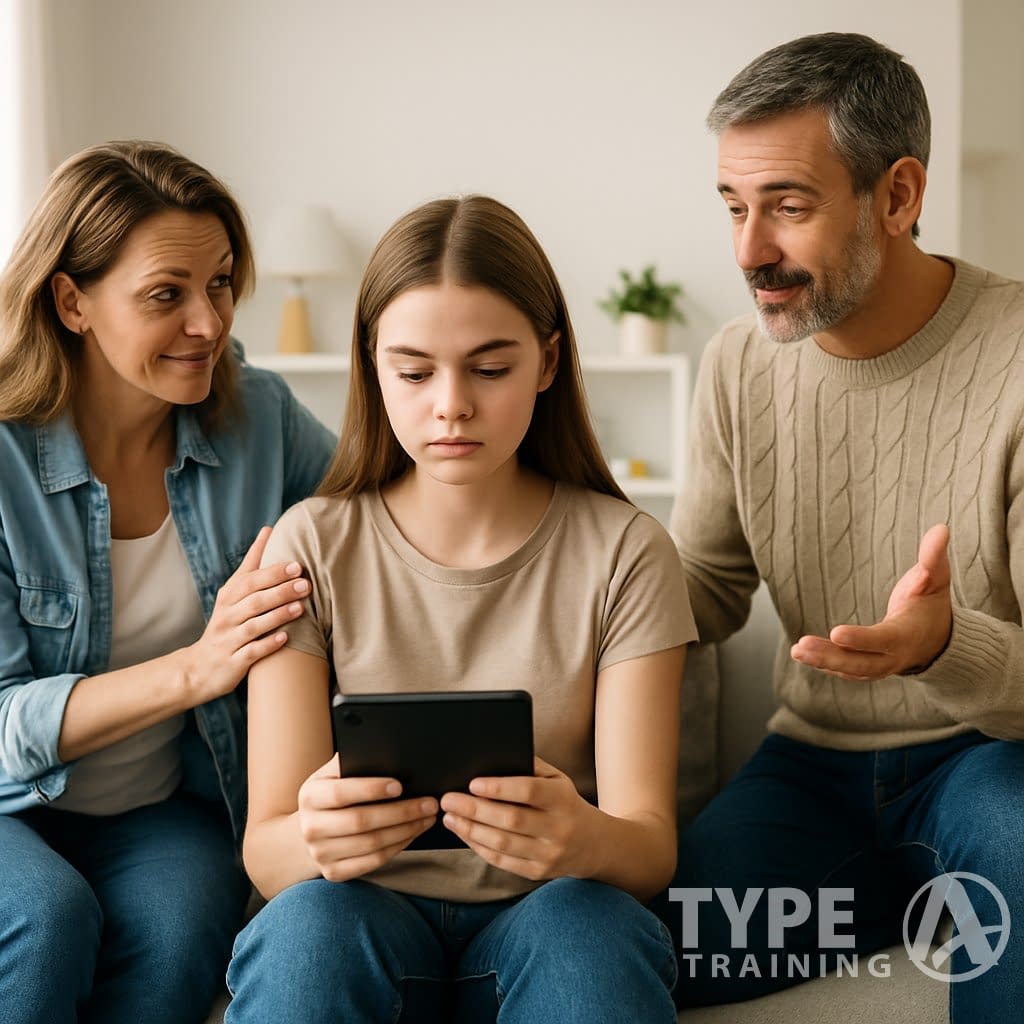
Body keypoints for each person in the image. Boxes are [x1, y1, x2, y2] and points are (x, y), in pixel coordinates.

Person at [225, 194, 695, 1023]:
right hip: (355, 912)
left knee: (591, 944)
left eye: (490, 368)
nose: (450, 404)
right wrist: (317, 836)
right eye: (413, 371)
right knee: (306, 935)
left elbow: (649, 847)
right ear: (372, 365)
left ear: (548, 362)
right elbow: (268, 852)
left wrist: (583, 838)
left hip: (555, 910)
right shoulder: (310, 544)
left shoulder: (627, 550)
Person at [653, 32, 1024, 1022]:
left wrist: (943, 642)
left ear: (897, 196)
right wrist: (554, 555)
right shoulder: (737, 364)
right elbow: (705, 584)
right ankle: (905, 900)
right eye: (734, 207)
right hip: (808, 773)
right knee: (645, 946)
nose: (748, 251)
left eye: (787, 205)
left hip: (986, 754)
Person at [0, 140, 336, 1024]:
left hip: (158, 806)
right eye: (167, 296)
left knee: (185, 926)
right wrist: (198, 666)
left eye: (220, 284)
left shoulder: (259, 417)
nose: (210, 323)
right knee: (45, 915)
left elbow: (377, 519)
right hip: (6, 807)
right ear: (72, 300)